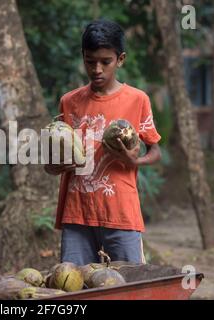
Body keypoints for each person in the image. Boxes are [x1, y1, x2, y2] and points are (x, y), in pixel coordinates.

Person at [44, 20, 162, 266]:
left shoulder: (137, 100)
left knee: (127, 286)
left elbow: (155, 151)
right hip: (77, 214)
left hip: (121, 214)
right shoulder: (69, 102)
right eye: (90, 61)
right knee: (75, 286)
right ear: (83, 57)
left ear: (120, 59)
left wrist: (134, 160)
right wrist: (55, 166)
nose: (97, 69)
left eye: (105, 62)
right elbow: (50, 164)